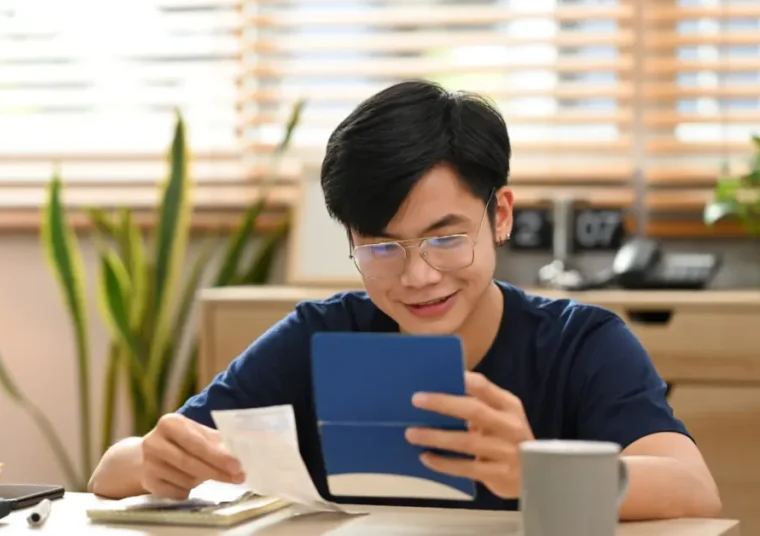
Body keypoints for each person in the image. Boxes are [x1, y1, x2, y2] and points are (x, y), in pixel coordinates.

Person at [87, 79, 722, 520]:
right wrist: (157, 462)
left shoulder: (581, 342)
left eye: (445, 238)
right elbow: (110, 473)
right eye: (382, 248)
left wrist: (538, 473)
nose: (417, 276)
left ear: (499, 214)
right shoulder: (321, 336)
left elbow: (693, 490)